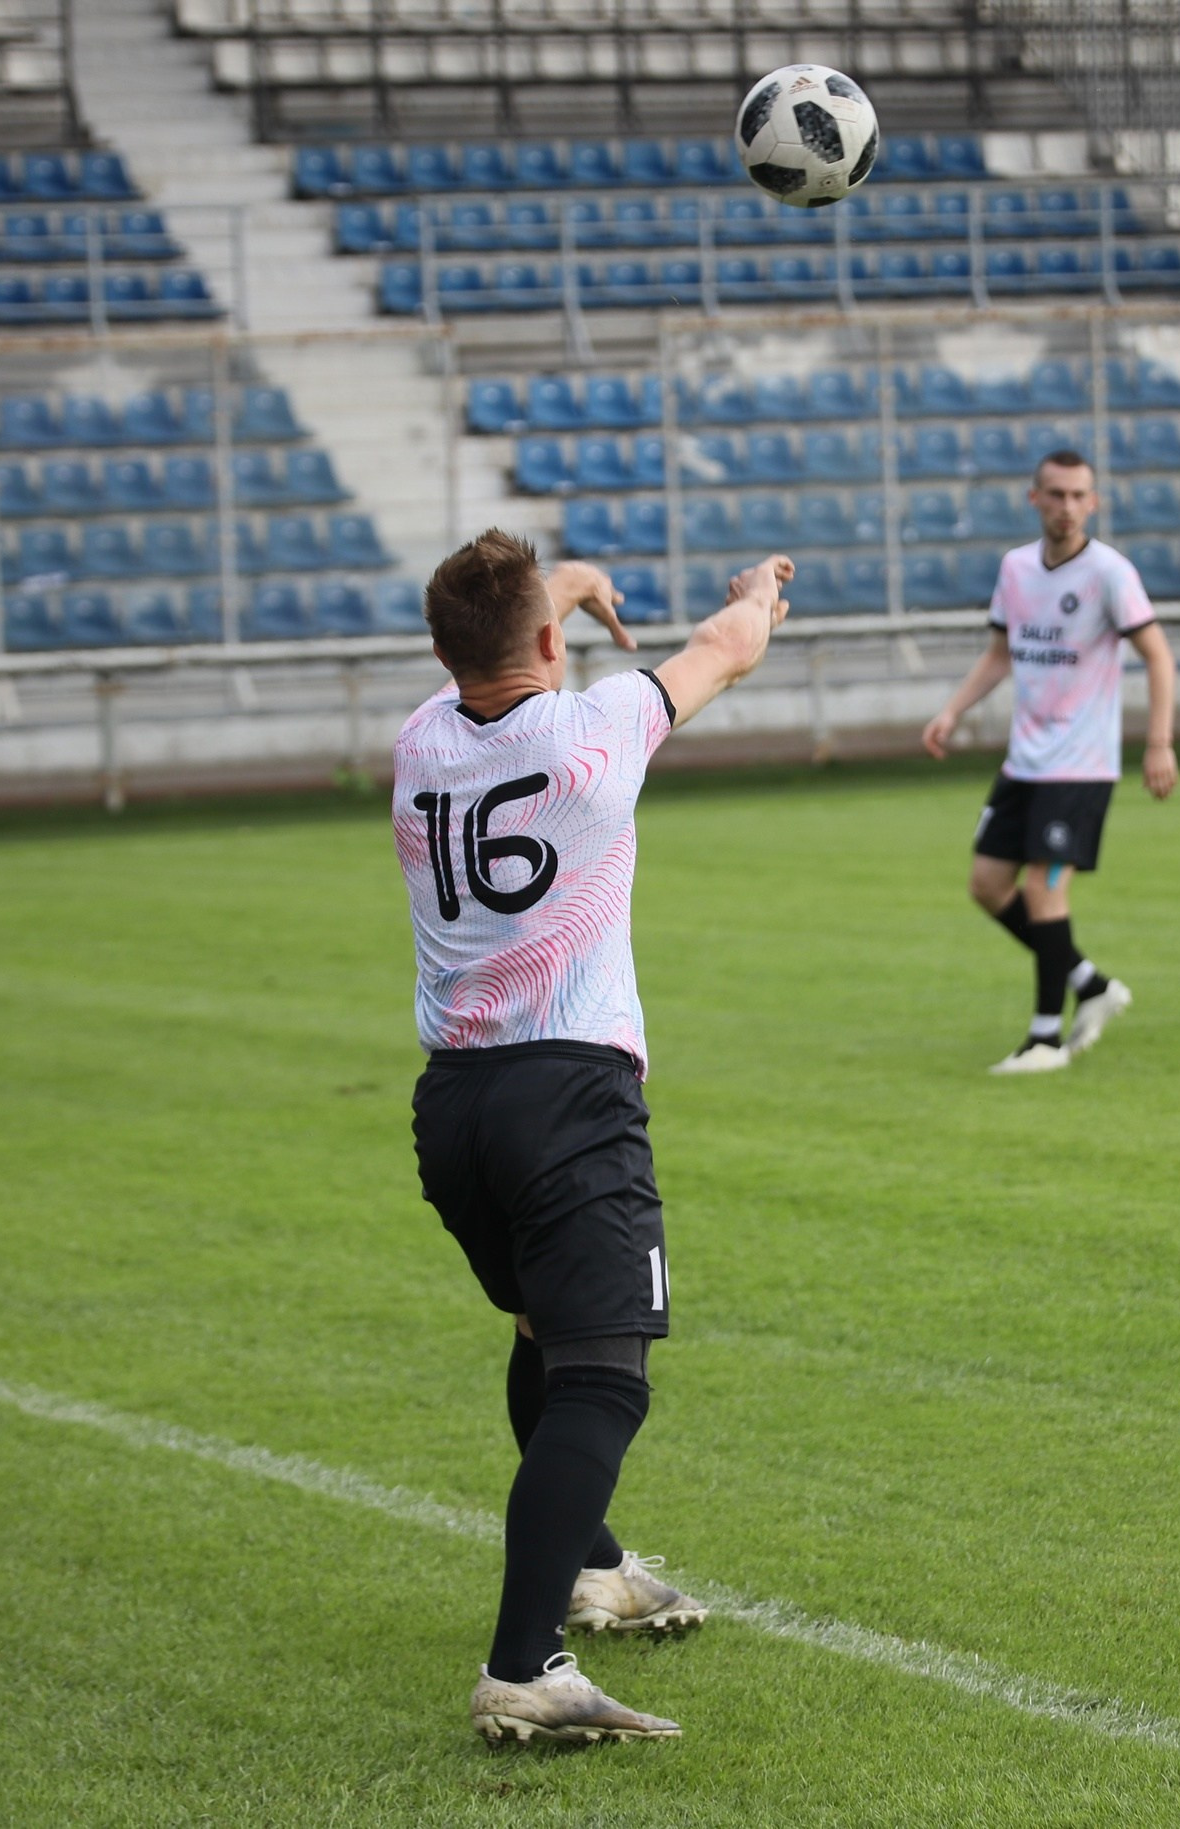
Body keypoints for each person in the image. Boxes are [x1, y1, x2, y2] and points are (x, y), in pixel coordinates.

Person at [392, 531, 792, 1745]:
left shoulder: (416, 743)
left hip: (453, 1103)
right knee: (607, 1381)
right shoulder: (597, 729)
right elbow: (728, 650)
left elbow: (500, 635)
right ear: (553, 645)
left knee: (543, 1333)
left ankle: (595, 1563)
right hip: (567, 1092)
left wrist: (559, 587)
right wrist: (757, 592)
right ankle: (524, 1665)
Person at [922, 449, 1179, 1074]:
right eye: (1056, 495)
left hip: (1081, 769)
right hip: (1025, 763)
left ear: (1094, 503)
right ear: (1033, 498)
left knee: (1043, 887)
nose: (1067, 507)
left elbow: (1160, 657)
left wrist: (1158, 742)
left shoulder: (1110, 573)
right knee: (987, 886)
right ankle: (1089, 983)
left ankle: (1045, 1039)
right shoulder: (1015, 569)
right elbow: (1000, 654)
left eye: (1078, 496)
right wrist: (952, 710)